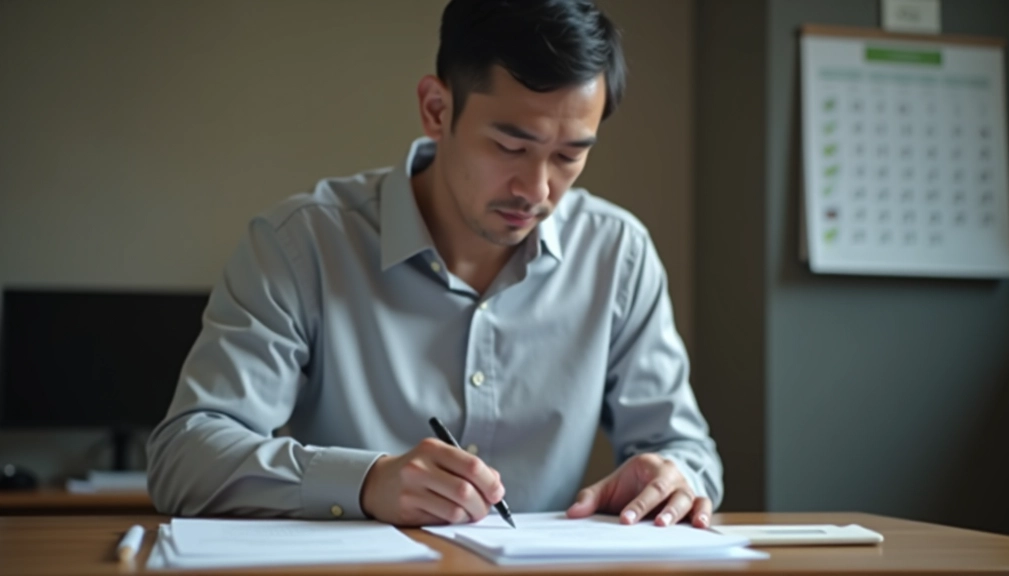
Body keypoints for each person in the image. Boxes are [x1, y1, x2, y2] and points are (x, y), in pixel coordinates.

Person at [147, 0, 723, 529]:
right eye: (510, 146)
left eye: (570, 155)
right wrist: (366, 482)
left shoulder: (617, 254)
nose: (538, 189)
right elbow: (185, 455)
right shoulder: (302, 246)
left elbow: (688, 452)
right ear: (435, 108)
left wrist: (675, 477)